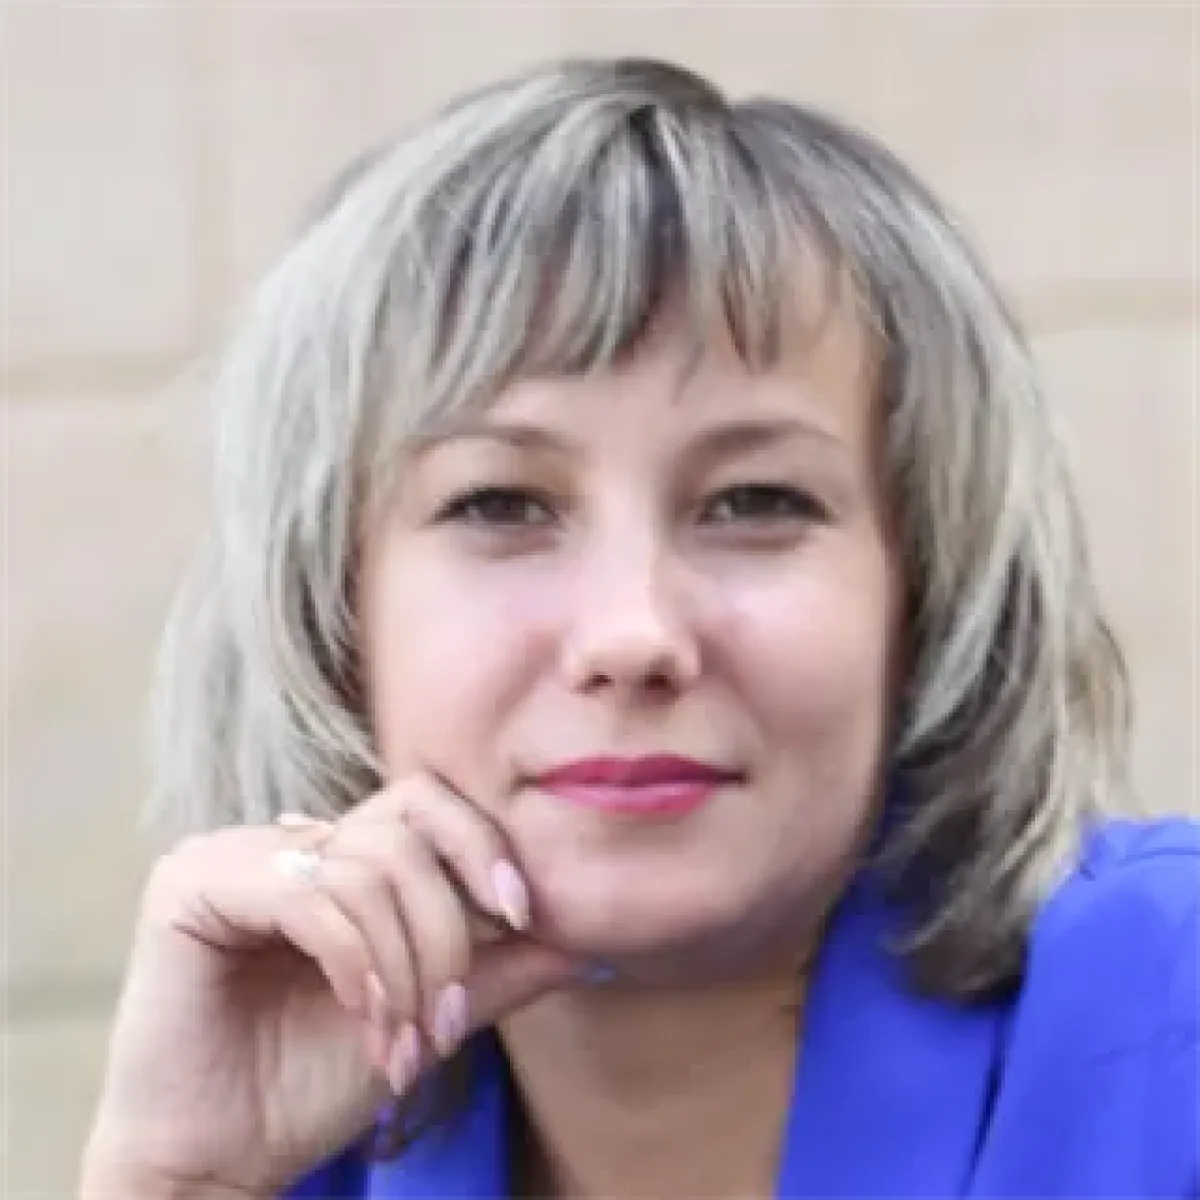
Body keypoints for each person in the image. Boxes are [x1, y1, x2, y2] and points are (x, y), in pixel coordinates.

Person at [79, 57, 1199, 1200]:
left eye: (754, 501)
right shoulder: (289, 1139)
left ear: (927, 593)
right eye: (502, 505)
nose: (633, 634)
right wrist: (177, 1184)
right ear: (330, 613)